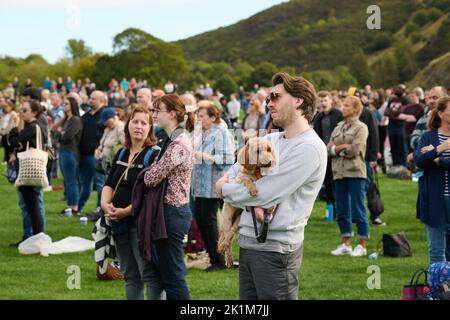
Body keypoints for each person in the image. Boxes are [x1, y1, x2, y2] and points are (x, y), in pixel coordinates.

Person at [216, 72, 327, 300]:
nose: (269, 103)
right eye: (268, 98)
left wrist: (223, 190)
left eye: (275, 97)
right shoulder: (272, 140)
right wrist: (232, 185)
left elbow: (263, 195)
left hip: (276, 250)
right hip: (248, 244)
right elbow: (238, 168)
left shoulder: (309, 148)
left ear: (298, 100)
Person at [101, 106, 163, 300]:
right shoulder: (121, 153)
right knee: (129, 275)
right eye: (135, 122)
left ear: (150, 128)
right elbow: (109, 183)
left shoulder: (154, 154)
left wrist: (126, 211)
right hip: (119, 223)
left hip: (141, 224)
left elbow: (151, 195)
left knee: (149, 275)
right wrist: (105, 205)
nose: (138, 126)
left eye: (144, 123)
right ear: (127, 125)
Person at [143, 94, 195, 300]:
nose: (154, 115)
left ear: (173, 113)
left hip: (172, 214)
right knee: (168, 274)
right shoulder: (173, 139)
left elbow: (151, 177)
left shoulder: (178, 144)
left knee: (173, 277)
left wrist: (148, 171)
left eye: (158, 110)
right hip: (170, 212)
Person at [192, 100, 235, 271]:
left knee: (209, 223)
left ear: (212, 117)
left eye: (201, 116)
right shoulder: (200, 133)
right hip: (200, 186)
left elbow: (230, 158)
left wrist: (206, 157)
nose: (198, 118)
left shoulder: (222, 133)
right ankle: (212, 258)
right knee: (201, 221)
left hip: (213, 186)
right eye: (197, 115)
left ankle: (219, 260)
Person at [328, 96, 369, 257]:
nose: (343, 107)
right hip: (339, 172)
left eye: (346, 105)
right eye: (343, 105)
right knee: (342, 209)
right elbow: (327, 148)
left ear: (356, 109)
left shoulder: (361, 127)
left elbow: (355, 150)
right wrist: (339, 149)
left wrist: (338, 149)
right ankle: (346, 243)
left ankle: (362, 244)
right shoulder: (338, 127)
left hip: (356, 172)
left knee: (358, 209)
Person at [414, 96, 450, 264]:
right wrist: (441, 148)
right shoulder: (428, 136)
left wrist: (436, 159)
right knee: (436, 249)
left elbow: (430, 159)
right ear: (442, 113)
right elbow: (419, 160)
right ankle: (439, 289)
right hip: (435, 198)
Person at [8, 100, 47, 243]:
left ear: (34, 112)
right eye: (21, 110)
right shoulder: (33, 127)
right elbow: (16, 143)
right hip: (28, 169)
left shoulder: (32, 127)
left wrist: (16, 128)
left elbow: (12, 141)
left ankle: (37, 238)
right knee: (31, 205)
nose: (21, 113)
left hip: (29, 170)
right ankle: (34, 238)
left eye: (24, 110)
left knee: (33, 206)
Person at [313, 91, 343, 213]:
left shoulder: (338, 114)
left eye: (325, 100)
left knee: (337, 182)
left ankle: (341, 209)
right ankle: (331, 208)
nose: (323, 103)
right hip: (324, 153)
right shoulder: (318, 117)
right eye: (321, 101)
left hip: (336, 152)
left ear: (331, 101)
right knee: (328, 181)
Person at [52, 97, 83, 214]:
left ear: (72, 105)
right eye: (63, 104)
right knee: (67, 180)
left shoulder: (75, 120)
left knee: (71, 181)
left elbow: (67, 136)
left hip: (71, 152)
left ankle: (74, 206)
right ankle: (69, 205)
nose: (63, 106)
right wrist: (61, 129)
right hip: (63, 151)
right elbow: (54, 131)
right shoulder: (66, 120)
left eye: (66, 104)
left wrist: (61, 133)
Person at [78, 91, 106, 214]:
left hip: (96, 155)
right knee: (85, 183)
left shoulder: (105, 115)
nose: (91, 100)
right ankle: (78, 207)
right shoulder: (86, 115)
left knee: (100, 183)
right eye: (90, 98)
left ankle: (99, 209)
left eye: (94, 99)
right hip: (83, 154)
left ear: (101, 100)